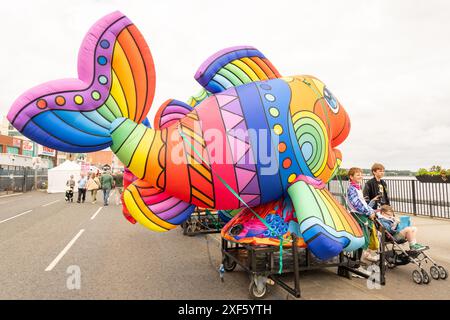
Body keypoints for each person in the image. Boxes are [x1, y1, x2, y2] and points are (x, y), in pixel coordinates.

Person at [346, 167, 379, 264]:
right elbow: (357, 204)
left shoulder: (357, 187)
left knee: (364, 239)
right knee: (361, 240)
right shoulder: (352, 188)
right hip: (358, 216)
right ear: (351, 177)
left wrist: (371, 209)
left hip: (362, 215)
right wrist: (369, 212)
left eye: (361, 174)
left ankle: (358, 262)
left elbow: (362, 203)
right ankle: (356, 264)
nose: (360, 176)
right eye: (357, 174)